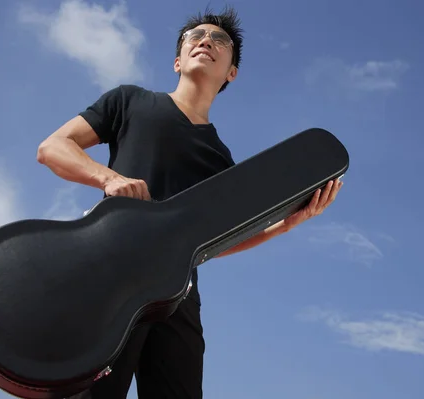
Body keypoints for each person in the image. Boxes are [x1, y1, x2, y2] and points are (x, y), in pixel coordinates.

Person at [36, 5, 342, 399]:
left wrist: (286, 225)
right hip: (111, 273)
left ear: (232, 72)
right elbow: (53, 147)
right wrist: (108, 178)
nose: (206, 41)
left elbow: (218, 244)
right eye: (195, 36)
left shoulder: (222, 161)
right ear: (178, 60)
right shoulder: (130, 102)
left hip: (177, 297)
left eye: (220, 40)